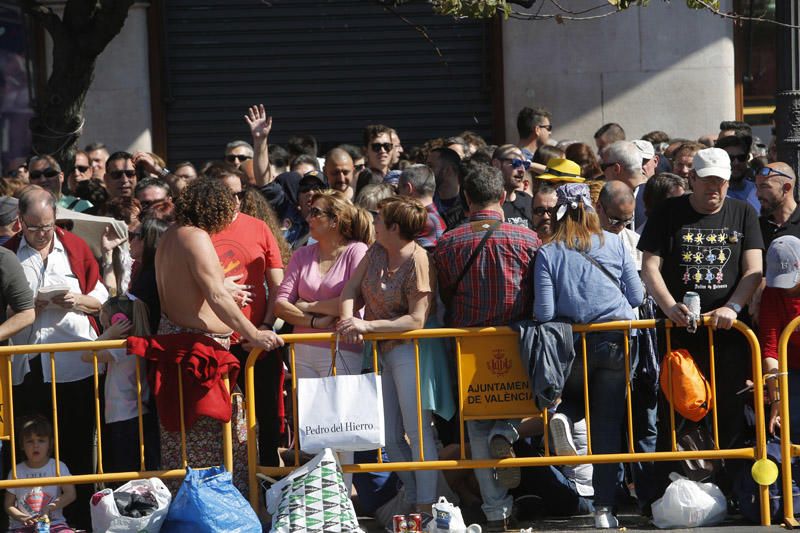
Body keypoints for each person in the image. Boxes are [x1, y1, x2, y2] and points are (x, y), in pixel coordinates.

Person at [638, 147, 763, 498]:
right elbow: (650, 266)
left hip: (730, 335)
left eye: (721, 182)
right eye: (708, 181)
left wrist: (734, 307)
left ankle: (733, 490)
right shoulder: (667, 213)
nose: (715, 189)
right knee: (677, 410)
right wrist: (669, 306)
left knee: (730, 414)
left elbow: (754, 269)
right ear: (691, 178)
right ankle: (673, 490)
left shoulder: (743, 212)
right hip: (679, 335)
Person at [151, 178, 283, 495]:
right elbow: (215, 295)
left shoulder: (170, 236)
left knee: (185, 442)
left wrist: (223, 288)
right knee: (223, 440)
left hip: (180, 346)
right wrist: (255, 332)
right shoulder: (195, 237)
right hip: (197, 353)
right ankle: (222, 511)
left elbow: (194, 286)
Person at [433, 164, 541, 531]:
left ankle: (496, 511)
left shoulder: (448, 242)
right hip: (517, 339)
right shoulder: (527, 239)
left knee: (477, 428)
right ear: (505, 196)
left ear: (465, 198)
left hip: (469, 344)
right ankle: (507, 432)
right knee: (531, 403)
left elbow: (445, 292)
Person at [534, 182, 643, 529]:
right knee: (608, 425)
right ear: (593, 208)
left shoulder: (547, 252)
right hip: (615, 339)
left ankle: (565, 414)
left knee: (577, 395)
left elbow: (545, 312)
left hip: (573, 343)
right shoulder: (616, 242)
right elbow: (638, 296)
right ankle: (604, 509)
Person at [6, 187, 108, 529]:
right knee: (31, 446)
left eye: (47, 226)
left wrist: (75, 299)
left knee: (77, 441)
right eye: (33, 227)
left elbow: (101, 298)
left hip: (74, 360)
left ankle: (78, 520)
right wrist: (23, 307)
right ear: (20, 222)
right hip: (27, 362)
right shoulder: (8, 253)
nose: (40, 233)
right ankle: (29, 520)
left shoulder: (74, 247)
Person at [338, 195, 437, 514]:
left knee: (417, 431)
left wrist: (367, 326)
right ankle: (412, 494)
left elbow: (416, 319)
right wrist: (347, 320)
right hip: (380, 351)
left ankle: (425, 505)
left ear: (394, 227)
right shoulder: (375, 251)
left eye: (379, 219)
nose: (374, 223)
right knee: (390, 435)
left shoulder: (418, 260)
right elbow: (349, 290)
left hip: (410, 350)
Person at [80, 295, 159, 473]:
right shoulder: (134, 345)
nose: (104, 331)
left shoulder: (122, 347)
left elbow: (85, 355)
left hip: (125, 417)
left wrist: (109, 335)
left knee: (127, 469)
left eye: (107, 326)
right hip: (132, 415)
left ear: (120, 323)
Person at [759, 236, 800, 441]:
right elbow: (770, 347)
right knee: (789, 423)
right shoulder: (772, 293)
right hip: (788, 371)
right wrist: (776, 399)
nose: (785, 288)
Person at [4, 416, 76, 533]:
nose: (35, 445)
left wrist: (49, 507)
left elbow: (70, 494)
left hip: (55, 523)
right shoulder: (16, 471)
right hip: (22, 526)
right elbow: (8, 504)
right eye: (30, 441)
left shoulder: (58, 466)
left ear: (50, 444)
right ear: (22, 445)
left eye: (41, 440)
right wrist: (22, 517)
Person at [397, 164, 445, 251]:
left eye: (399, 190)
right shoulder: (434, 217)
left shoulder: (423, 221)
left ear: (408, 188)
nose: (398, 196)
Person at [492, 144, 533, 229]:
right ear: (496, 164)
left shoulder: (528, 201)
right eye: (516, 163)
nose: (522, 170)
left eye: (525, 164)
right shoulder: (489, 204)